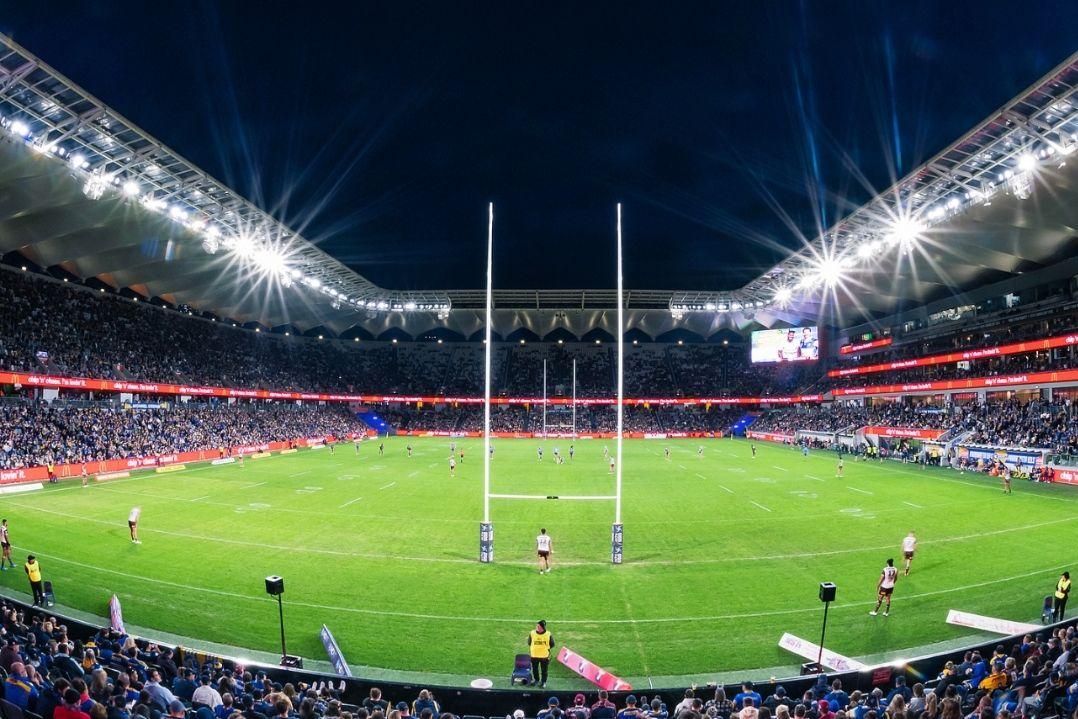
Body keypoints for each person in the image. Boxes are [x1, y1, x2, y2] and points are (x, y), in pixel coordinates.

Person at [527, 620, 554, 688]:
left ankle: (543, 682)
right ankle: (536, 680)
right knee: (535, 669)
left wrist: (545, 648)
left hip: (544, 657)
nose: (537, 627)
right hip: (534, 655)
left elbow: (552, 644)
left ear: (542, 627)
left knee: (544, 670)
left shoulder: (548, 634)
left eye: (538, 626)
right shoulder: (532, 633)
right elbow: (529, 642)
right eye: (537, 626)